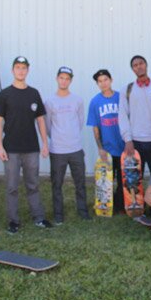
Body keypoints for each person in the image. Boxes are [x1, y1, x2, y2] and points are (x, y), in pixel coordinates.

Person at [0, 56, 53, 234]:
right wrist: (0, 146)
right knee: (12, 187)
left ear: (28, 71)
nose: (21, 71)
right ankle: (13, 221)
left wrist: (44, 143)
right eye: (18, 67)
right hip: (11, 149)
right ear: (13, 70)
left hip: (31, 149)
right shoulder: (4, 94)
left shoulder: (34, 93)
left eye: (24, 68)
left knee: (33, 184)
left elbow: (41, 120)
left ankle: (39, 218)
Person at [44, 66, 89, 224]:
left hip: (75, 148)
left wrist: (72, 135)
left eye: (67, 78)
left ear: (71, 80)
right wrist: (57, 137)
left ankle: (83, 211)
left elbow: (80, 121)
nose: (64, 81)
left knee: (80, 182)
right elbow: (47, 125)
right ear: (57, 79)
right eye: (61, 77)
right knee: (57, 184)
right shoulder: (49, 101)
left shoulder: (77, 100)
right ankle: (58, 214)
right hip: (58, 150)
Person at [86, 68, 125, 213]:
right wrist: (100, 147)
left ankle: (121, 205)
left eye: (105, 80)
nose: (103, 83)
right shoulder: (95, 102)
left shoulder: (121, 98)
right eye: (100, 81)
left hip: (123, 147)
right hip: (107, 149)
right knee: (107, 180)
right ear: (97, 84)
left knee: (123, 180)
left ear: (111, 80)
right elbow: (95, 127)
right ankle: (107, 206)